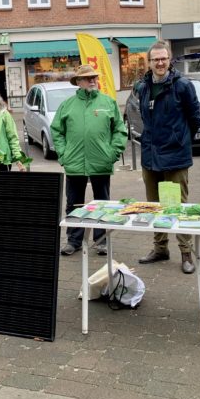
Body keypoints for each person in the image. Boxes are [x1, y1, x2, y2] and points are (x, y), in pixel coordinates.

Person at [137, 42, 200, 274]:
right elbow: (145, 118)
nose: (160, 63)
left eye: (164, 58)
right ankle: (160, 248)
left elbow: (194, 118)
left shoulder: (182, 86)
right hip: (150, 156)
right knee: (154, 206)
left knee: (176, 206)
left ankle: (186, 252)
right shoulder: (143, 87)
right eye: (156, 60)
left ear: (170, 60)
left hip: (174, 156)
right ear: (150, 62)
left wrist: (180, 139)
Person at [51, 65, 128, 256]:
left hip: (101, 162)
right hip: (74, 163)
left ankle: (101, 240)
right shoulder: (67, 105)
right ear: (78, 82)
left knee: (102, 202)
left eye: (94, 76)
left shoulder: (108, 103)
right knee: (74, 203)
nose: (92, 80)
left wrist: (112, 153)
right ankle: (74, 240)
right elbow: (57, 131)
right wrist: (64, 154)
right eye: (87, 78)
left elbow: (120, 130)